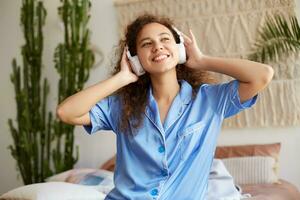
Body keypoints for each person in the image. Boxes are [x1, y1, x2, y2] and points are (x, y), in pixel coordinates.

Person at [56, 14, 274, 200]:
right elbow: (66, 112)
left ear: (178, 49)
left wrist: (203, 60)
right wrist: (123, 77)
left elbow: (262, 76)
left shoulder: (209, 100)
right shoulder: (122, 106)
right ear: (135, 58)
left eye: (164, 39)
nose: (157, 46)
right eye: (146, 44)